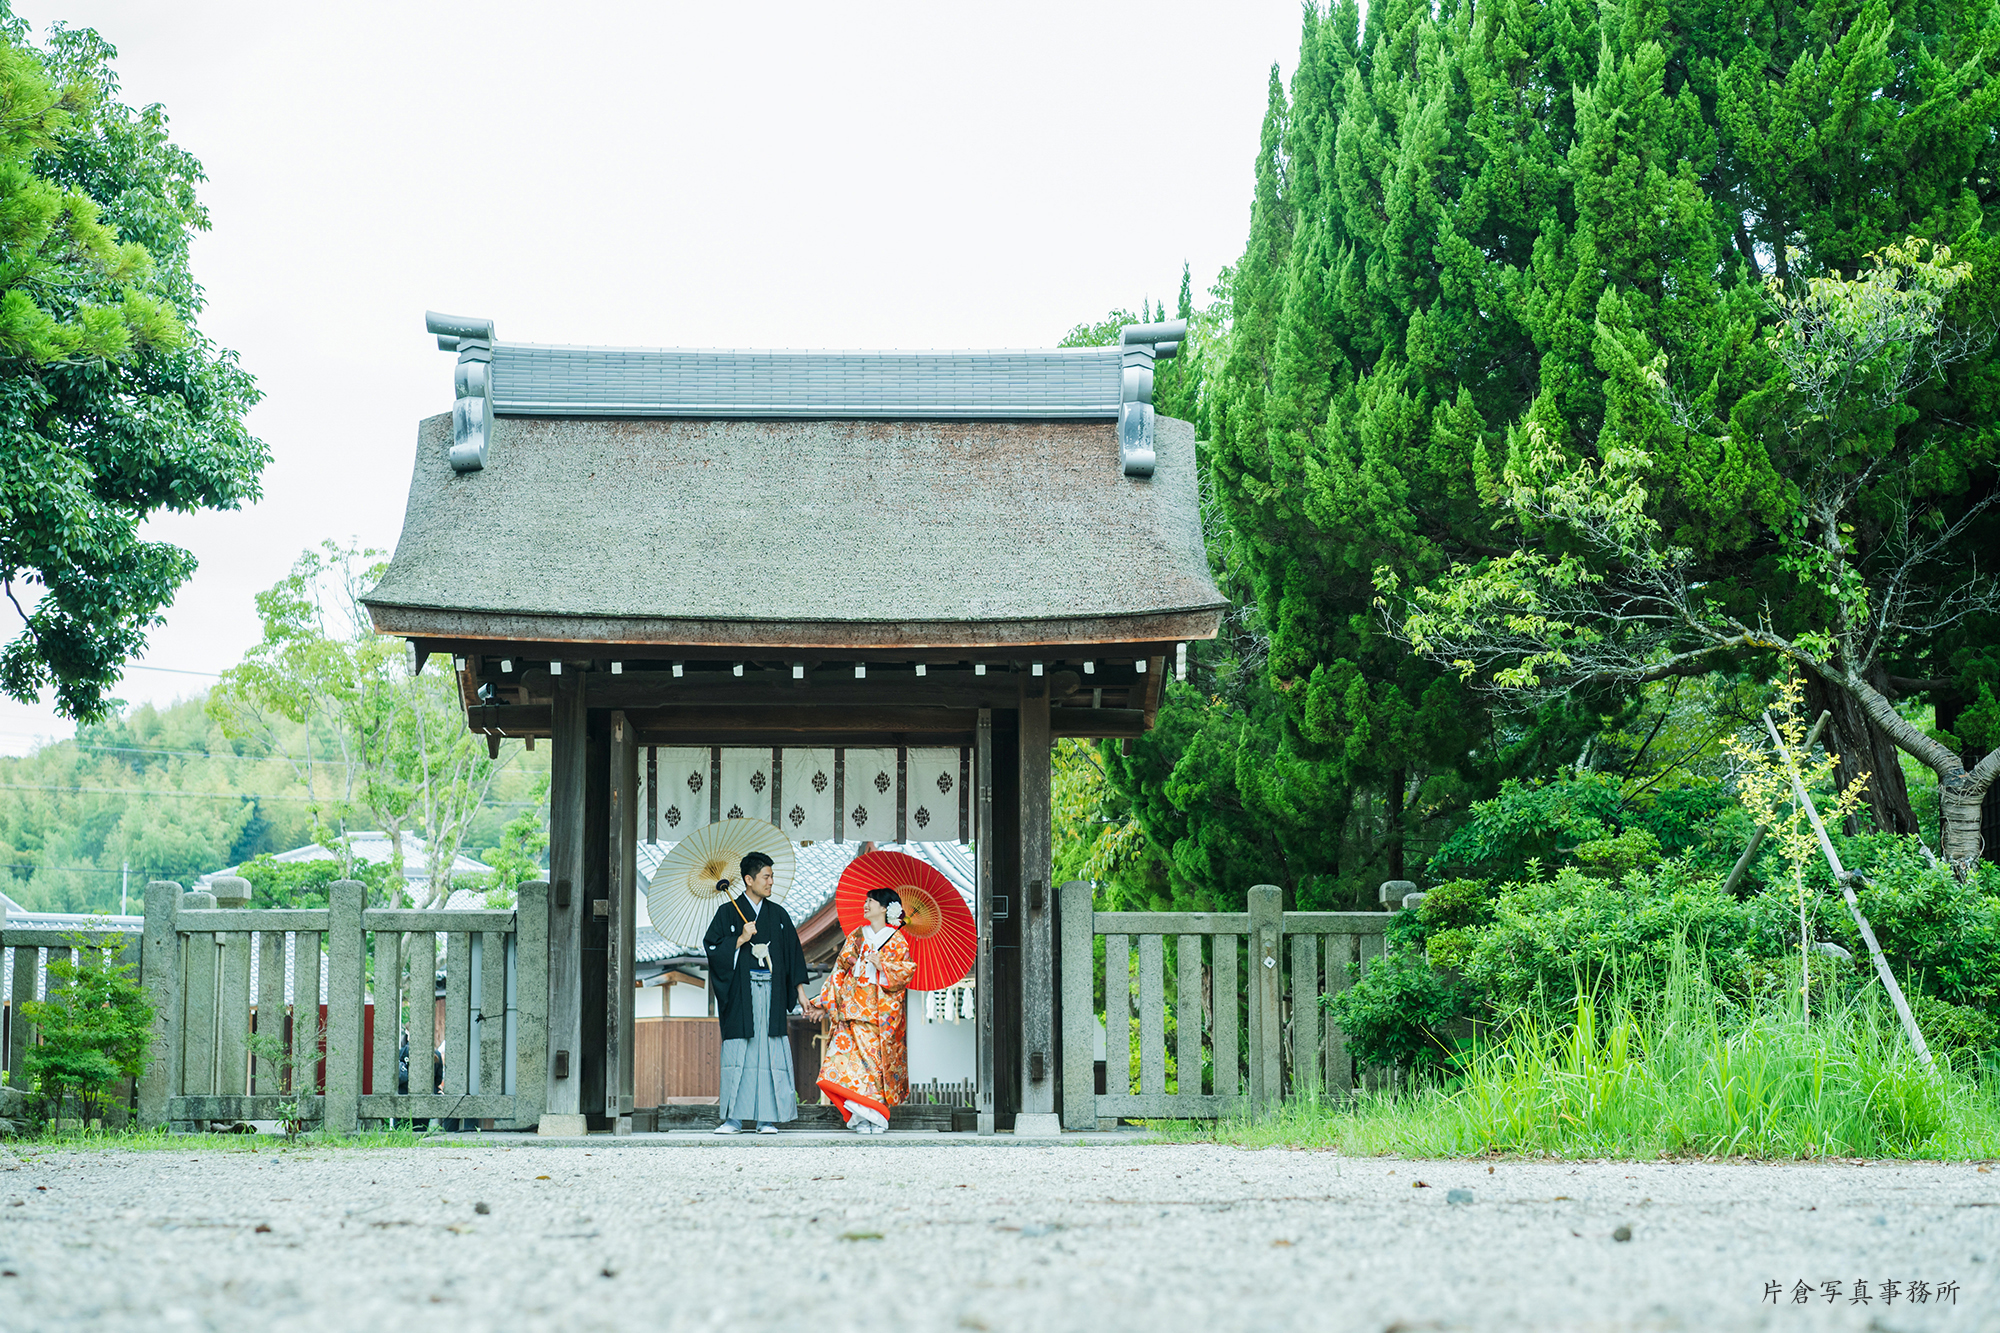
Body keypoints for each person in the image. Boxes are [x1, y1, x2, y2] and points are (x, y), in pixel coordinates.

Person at [701, 851, 811, 1134]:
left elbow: (792, 956)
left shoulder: (779, 915)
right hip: (741, 994)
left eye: (772, 876)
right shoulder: (728, 912)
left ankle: (767, 1118)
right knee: (740, 1053)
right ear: (748, 880)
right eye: (766, 876)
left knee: (770, 1054)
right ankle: (733, 1119)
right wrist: (739, 938)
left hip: (772, 994)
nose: (771, 881)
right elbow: (712, 949)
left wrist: (799, 992)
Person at [808, 887, 915, 1134]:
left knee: (874, 1069)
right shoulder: (857, 936)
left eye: (871, 901)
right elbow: (839, 971)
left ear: (885, 908)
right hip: (851, 1011)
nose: (866, 905)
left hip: (879, 1015)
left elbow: (906, 970)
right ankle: (862, 1117)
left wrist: (884, 965)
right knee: (847, 1065)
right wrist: (823, 1003)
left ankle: (874, 1117)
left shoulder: (896, 939)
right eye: (866, 900)